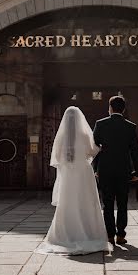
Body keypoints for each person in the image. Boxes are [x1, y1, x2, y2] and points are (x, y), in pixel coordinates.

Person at [37, 106, 109, 255]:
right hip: (83, 172)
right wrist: (99, 148)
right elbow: (92, 151)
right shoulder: (84, 133)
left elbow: (56, 156)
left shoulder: (61, 136)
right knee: (85, 201)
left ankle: (65, 234)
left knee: (68, 202)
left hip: (68, 174)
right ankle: (89, 234)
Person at [93, 95, 138, 245]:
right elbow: (135, 151)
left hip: (105, 170)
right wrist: (137, 171)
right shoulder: (130, 126)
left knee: (107, 204)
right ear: (124, 109)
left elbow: (94, 148)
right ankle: (121, 235)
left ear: (110, 108)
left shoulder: (100, 124)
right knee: (122, 203)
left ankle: (109, 235)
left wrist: (95, 168)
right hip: (123, 170)